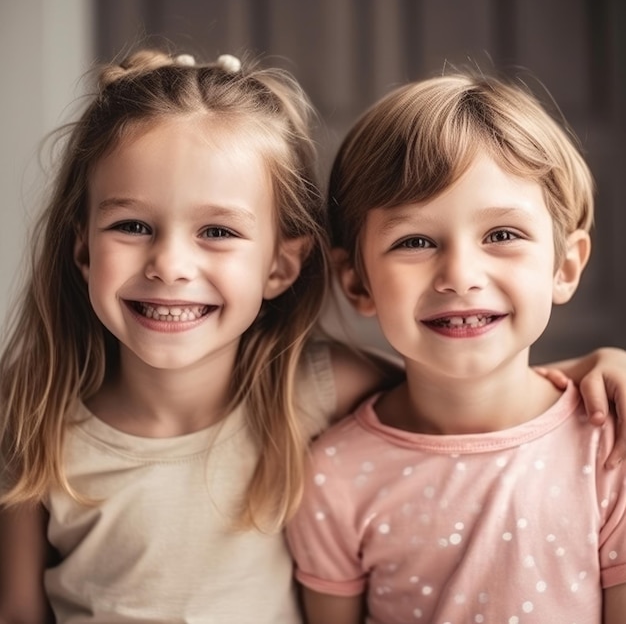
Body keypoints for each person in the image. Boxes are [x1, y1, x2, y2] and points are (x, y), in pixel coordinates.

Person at [0, 49, 623, 624]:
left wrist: (594, 368)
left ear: (280, 266)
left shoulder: (315, 390)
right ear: (82, 247)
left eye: (217, 231)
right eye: (133, 225)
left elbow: (470, 393)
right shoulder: (31, 407)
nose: (170, 265)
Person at [286, 70, 626, 623]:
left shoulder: (611, 449)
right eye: (415, 241)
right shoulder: (332, 477)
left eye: (502, 235)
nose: (461, 275)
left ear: (564, 266)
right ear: (356, 283)